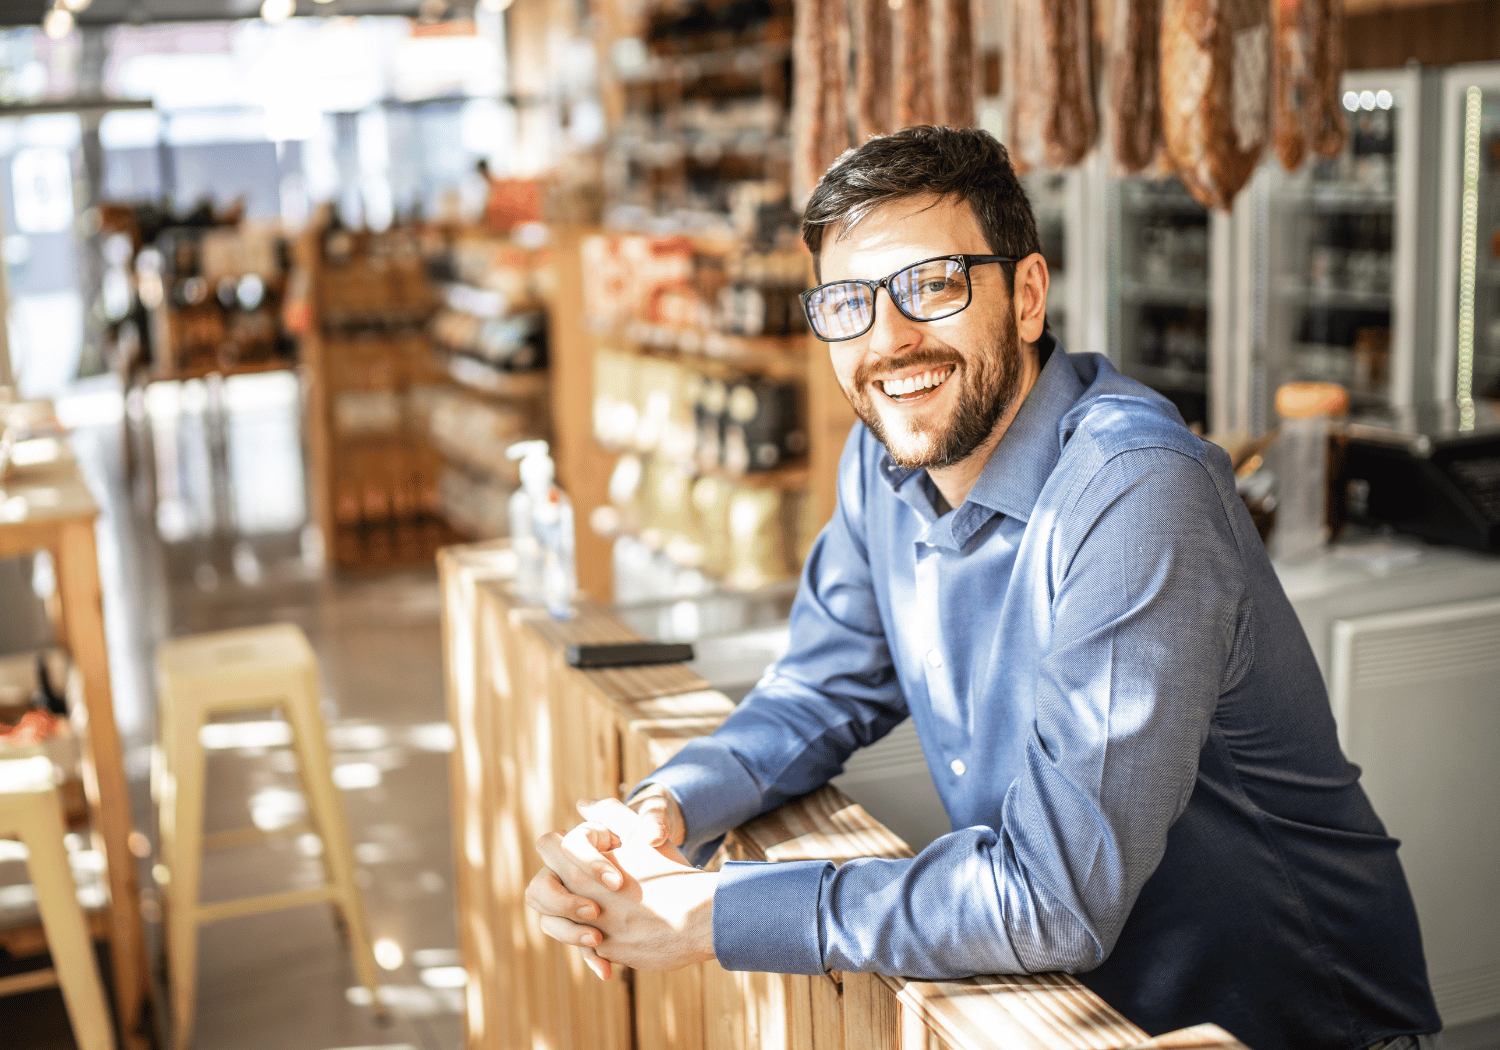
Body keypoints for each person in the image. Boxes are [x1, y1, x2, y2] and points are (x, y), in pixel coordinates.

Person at [524, 126, 1442, 1050]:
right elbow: (818, 688)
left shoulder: (1134, 491)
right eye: (848, 303)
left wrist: (718, 913)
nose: (889, 340)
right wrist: (669, 809)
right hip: (1067, 1012)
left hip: (1289, 1027)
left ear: (1027, 296)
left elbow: (1053, 896)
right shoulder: (883, 460)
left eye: (933, 284)